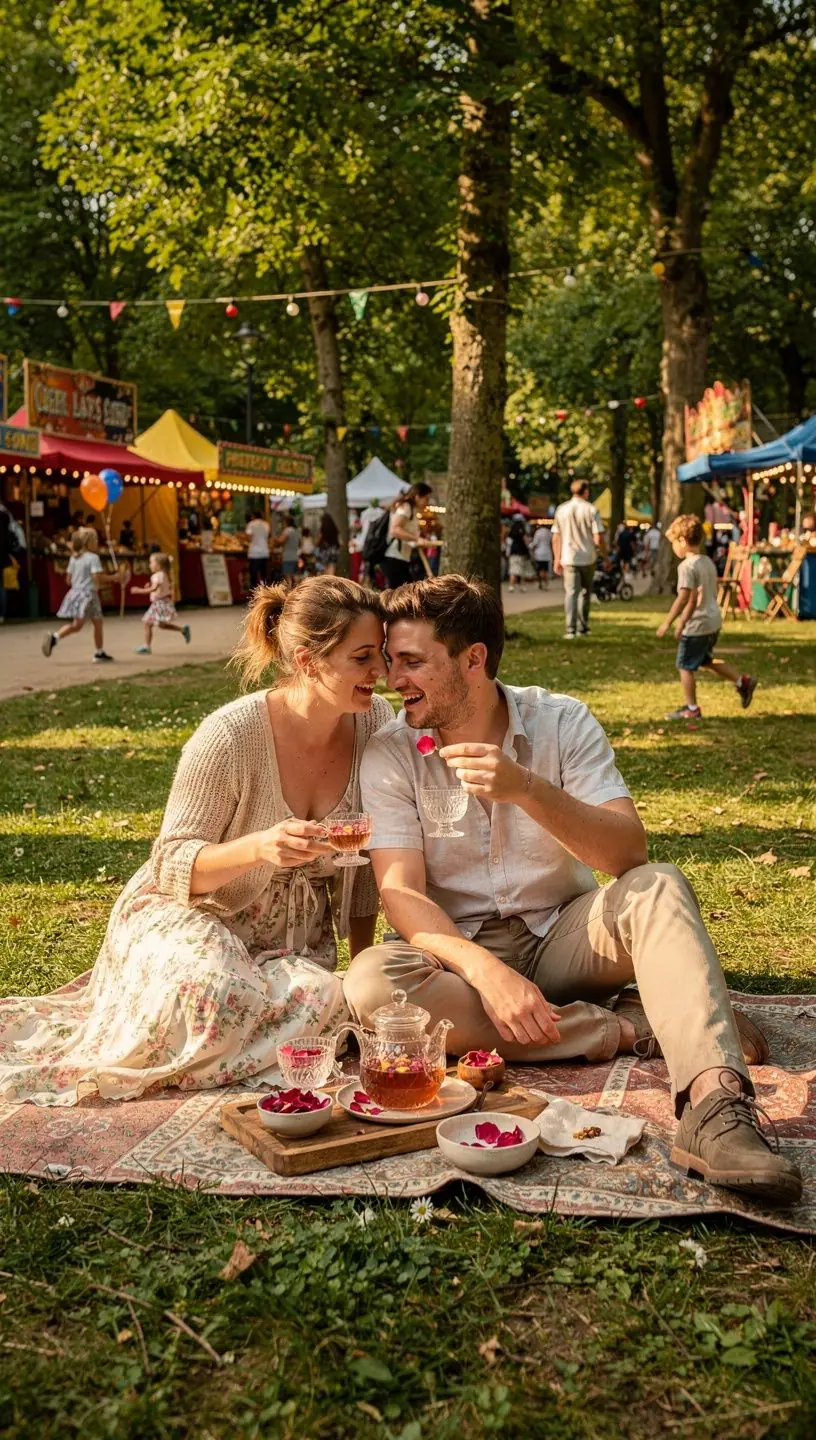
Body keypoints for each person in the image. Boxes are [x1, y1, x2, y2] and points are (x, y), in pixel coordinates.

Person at [344, 574, 801, 1206]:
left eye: (414, 662)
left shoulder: (561, 721)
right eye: (393, 662)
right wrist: (486, 971)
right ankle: (621, 1027)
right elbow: (401, 892)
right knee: (370, 982)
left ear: (473, 659)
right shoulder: (391, 751)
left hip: (564, 934)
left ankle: (715, 1106)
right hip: (455, 959)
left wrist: (527, 789)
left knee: (658, 886)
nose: (396, 680)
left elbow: (627, 854)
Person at [0, 576, 392, 1106]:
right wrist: (260, 848)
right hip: (195, 909)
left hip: (295, 940)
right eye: (364, 657)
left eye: (382, 654)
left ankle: (237, 1034)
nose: (381, 672)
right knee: (209, 993)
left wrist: (364, 972)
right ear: (307, 661)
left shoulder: (376, 725)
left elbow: (364, 862)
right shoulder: (229, 735)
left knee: (329, 996)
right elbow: (172, 862)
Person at [657, 515, 757, 721]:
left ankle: (691, 708)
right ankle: (742, 682)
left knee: (684, 666)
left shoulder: (687, 566)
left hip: (698, 624)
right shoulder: (707, 561)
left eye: (674, 543)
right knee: (705, 660)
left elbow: (688, 599)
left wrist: (673, 622)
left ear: (683, 541)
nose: (674, 548)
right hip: (713, 621)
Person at [41, 527, 114, 663]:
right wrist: (114, 577)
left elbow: (68, 579)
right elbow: (96, 577)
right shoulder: (93, 558)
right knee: (97, 623)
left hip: (76, 593)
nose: (97, 542)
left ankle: (55, 637)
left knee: (78, 625)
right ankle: (98, 652)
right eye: (95, 540)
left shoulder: (74, 558)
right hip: (89, 595)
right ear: (89, 542)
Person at [552, 479, 607, 638]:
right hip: (588, 556)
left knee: (571, 593)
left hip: (568, 557)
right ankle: (583, 627)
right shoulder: (591, 510)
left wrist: (556, 558)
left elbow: (556, 537)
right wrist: (604, 555)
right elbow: (598, 537)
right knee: (585, 592)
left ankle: (570, 629)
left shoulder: (561, 509)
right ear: (586, 491)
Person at [131, 552, 191, 655]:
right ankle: (183, 630)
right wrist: (148, 587)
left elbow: (154, 588)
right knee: (161, 625)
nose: (149, 565)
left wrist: (139, 590)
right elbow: (158, 588)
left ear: (158, 565)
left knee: (147, 623)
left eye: (151, 562)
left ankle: (147, 647)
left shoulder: (157, 575)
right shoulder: (163, 574)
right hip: (163, 603)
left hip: (159, 604)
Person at [383, 483, 433, 589]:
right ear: (417, 496)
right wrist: (417, 539)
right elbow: (395, 529)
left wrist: (417, 542)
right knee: (399, 594)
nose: (427, 503)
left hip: (402, 558)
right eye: (426, 499)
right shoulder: (406, 507)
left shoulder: (412, 510)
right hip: (394, 557)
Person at [246, 508, 271, 589]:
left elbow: (249, 537)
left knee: (254, 575)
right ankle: (265, 592)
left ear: (253, 516)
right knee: (264, 574)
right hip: (264, 552)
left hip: (254, 553)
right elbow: (267, 536)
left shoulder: (251, 524)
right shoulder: (266, 524)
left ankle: (254, 592)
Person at [506, 517, 530, 591]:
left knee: (513, 571)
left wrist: (507, 553)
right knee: (522, 571)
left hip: (513, 554)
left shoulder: (511, 534)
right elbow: (526, 542)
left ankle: (511, 586)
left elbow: (508, 544)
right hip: (522, 553)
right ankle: (522, 587)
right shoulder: (523, 532)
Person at [529, 523, 551, 589]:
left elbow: (535, 543)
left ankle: (541, 583)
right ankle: (546, 583)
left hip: (539, 553)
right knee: (545, 569)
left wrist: (530, 546)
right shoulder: (549, 532)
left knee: (540, 569)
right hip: (547, 553)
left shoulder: (538, 532)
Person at [279, 513, 301, 578]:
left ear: (286, 522)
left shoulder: (287, 530)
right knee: (296, 576)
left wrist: (275, 539)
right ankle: (298, 588)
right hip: (295, 556)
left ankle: (289, 588)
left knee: (288, 577)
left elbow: (281, 541)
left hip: (288, 556)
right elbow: (300, 543)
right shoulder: (296, 531)